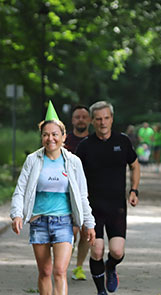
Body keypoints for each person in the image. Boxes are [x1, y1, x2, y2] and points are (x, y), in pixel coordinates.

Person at [10, 101, 95, 295]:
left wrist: (89, 223)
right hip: (39, 221)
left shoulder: (73, 162)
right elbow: (20, 189)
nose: (50, 139)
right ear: (41, 137)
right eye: (46, 135)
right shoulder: (33, 160)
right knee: (45, 271)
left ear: (63, 136)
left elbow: (82, 195)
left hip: (64, 221)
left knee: (59, 270)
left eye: (55, 134)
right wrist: (17, 214)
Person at [76, 101, 140, 295]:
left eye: (106, 118)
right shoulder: (85, 146)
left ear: (111, 119)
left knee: (117, 251)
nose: (102, 122)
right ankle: (101, 292)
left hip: (116, 207)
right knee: (96, 251)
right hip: (92, 208)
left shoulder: (122, 141)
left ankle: (110, 267)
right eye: (98, 119)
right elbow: (75, 176)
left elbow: (135, 165)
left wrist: (134, 190)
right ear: (92, 121)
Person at [64, 105, 92, 281]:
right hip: (66, 193)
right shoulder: (64, 140)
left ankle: (79, 267)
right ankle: (63, 263)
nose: (81, 120)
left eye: (84, 117)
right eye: (77, 117)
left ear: (89, 120)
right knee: (71, 232)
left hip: (89, 192)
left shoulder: (94, 140)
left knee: (85, 231)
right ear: (72, 120)